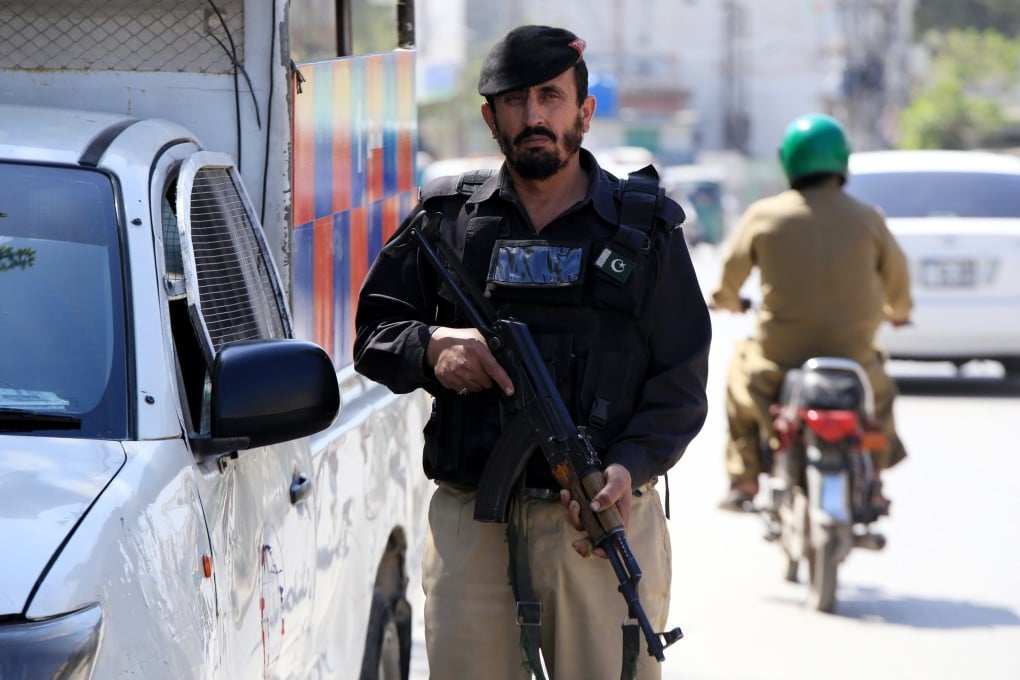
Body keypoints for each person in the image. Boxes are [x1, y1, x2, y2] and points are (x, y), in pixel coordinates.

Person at [353, 25, 710, 680]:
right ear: (491, 117)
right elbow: (375, 333)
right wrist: (433, 347)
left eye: (551, 96)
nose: (535, 116)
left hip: (600, 524)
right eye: (515, 101)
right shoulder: (446, 218)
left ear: (584, 110)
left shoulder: (645, 228)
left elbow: (681, 381)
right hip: (473, 522)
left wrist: (628, 468)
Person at [709, 113, 912, 512]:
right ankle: (874, 481)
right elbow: (898, 282)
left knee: (739, 378)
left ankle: (745, 480)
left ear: (789, 161)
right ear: (842, 161)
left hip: (779, 356)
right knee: (880, 394)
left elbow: (729, 281)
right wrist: (898, 312)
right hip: (852, 355)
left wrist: (727, 301)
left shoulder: (764, 215)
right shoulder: (868, 217)